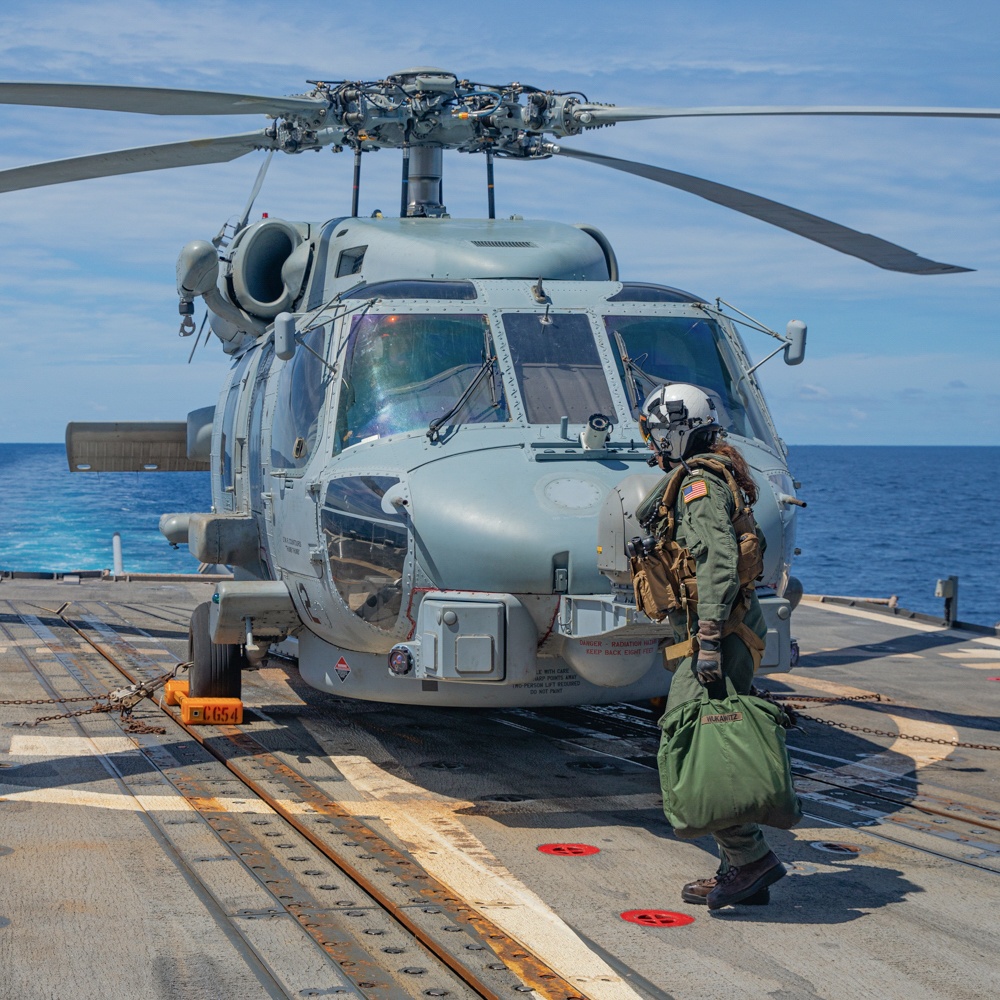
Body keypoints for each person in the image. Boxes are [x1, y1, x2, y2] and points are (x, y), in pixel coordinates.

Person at [635, 383, 786, 910]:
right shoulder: (717, 474)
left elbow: (717, 562)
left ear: (676, 429)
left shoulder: (698, 485)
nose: (655, 444)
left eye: (657, 432)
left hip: (721, 633)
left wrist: (706, 641)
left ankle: (750, 861)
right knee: (713, 742)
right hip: (734, 629)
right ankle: (738, 871)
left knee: (692, 745)